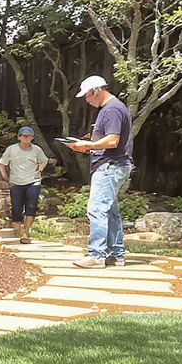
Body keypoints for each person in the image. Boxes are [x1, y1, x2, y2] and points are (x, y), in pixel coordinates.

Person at [66, 75, 134, 268]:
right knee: (110, 212)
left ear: (97, 91)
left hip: (110, 165)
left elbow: (113, 140)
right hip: (113, 164)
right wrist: (86, 145)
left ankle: (96, 255)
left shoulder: (112, 109)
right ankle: (116, 255)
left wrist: (90, 145)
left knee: (96, 209)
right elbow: (107, 140)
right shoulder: (111, 109)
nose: (86, 100)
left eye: (87, 96)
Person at [0, 126, 49, 243]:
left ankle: (26, 233)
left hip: (33, 181)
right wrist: (6, 178)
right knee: (16, 209)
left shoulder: (36, 149)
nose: (27, 138)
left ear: (32, 138)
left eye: (29, 136)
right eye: (24, 136)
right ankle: (20, 232)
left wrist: (39, 170)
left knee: (31, 206)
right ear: (19, 137)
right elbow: (2, 164)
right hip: (16, 182)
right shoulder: (12, 149)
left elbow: (44, 160)